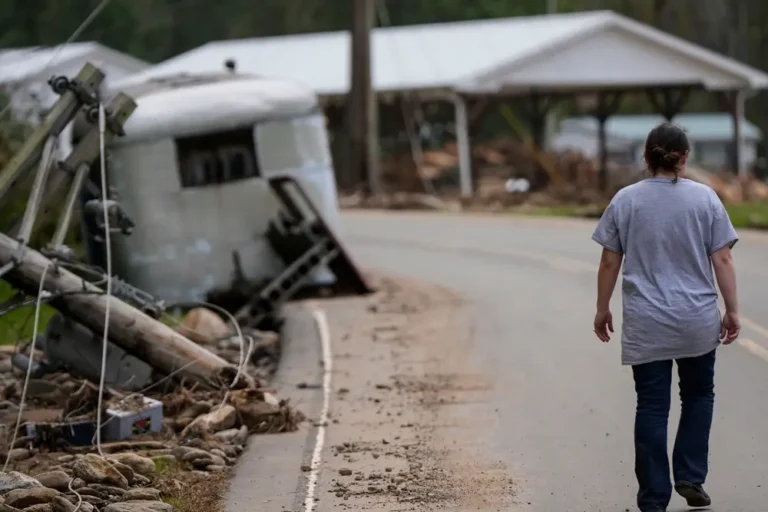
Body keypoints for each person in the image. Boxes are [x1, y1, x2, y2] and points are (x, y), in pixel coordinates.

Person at [590, 123, 740, 512]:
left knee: (652, 406)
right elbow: (722, 257)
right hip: (696, 320)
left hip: (647, 322)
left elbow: (610, 259)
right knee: (698, 395)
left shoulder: (625, 200)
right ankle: (690, 477)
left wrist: (602, 307)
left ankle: (654, 496)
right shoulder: (705, 199)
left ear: (646, 157)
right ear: (685, 157)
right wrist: (733, 310)